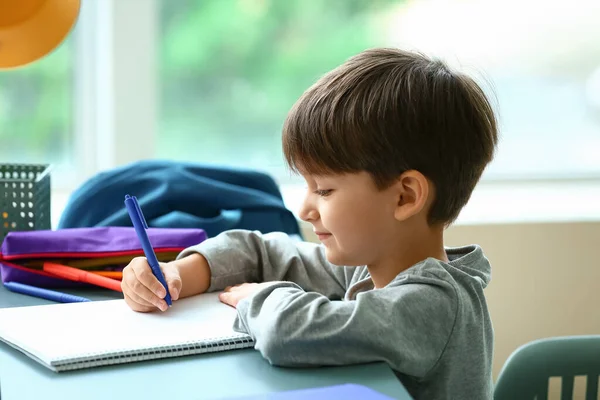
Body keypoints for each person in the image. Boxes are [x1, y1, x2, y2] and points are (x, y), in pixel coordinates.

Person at [121, 47, 499, 399]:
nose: (305, 210)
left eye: (325, 190)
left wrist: (257, 298)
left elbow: (291, 333)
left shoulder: (434, 307)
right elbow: (262, 251)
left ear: (405, 197)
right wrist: (179, 273)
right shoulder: (373, 269)